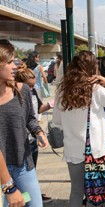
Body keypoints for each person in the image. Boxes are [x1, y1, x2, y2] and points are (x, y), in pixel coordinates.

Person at [52, 51, 105, 206]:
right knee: (100, 195)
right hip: (96, 153)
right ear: (92, 68)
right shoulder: (95, 89)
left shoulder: (62, 90)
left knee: (76, 192)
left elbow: (57, 120)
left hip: (73, 152)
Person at [0, 39, 48, 207]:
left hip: (24, 166)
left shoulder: (22, 90)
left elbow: (29, 118)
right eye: (10, 62)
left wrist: (38, 132)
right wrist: (8, 187)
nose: (15, 66)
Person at [14, 68, 53, 203]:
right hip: (20, 142)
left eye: (33, 86)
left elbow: (33, 113)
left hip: (32, 139)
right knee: (20, 176)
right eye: (29, 86)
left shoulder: (31, 91)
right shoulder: (13, 96)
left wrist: (49, 105)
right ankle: (25, 199)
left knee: (31, 171)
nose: (31, 89)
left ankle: (29, 196)